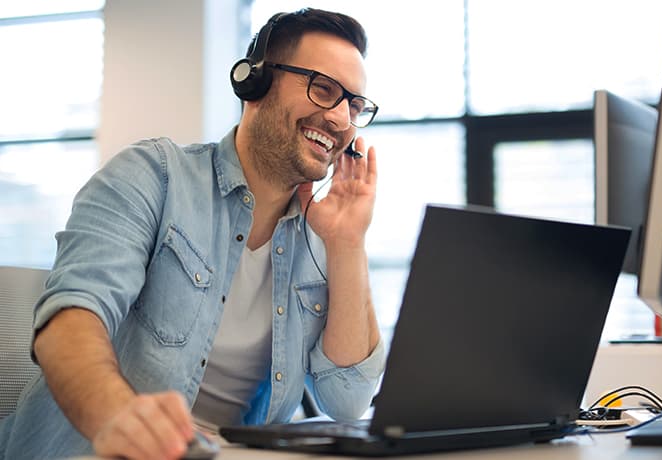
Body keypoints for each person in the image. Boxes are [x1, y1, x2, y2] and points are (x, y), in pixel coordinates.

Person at [0, 7, 384, 460]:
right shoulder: (153, 176)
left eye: (354, 105)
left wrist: (347, 244)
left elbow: (347, 401)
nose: (341, 119)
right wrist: (116, 416)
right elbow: (71, 318)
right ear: (254, 83)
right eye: (324, 90)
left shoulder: (322, 237)